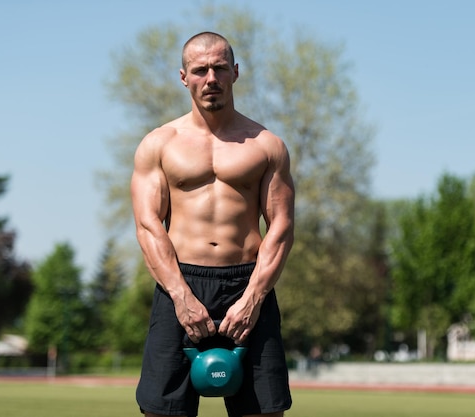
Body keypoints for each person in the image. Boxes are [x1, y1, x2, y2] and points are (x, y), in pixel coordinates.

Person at [130, 31, 295, 417]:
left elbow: (281, 227)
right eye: (200, 70)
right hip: (179, 285)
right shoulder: (159, 144)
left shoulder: (266, 145)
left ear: (235, 72)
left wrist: (254, 298)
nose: (211, 78)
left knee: (265, 412)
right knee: (162, 411)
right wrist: (181, 296)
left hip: (247, 282)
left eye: (220, 68)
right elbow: (148, 225)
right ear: (184, 77)